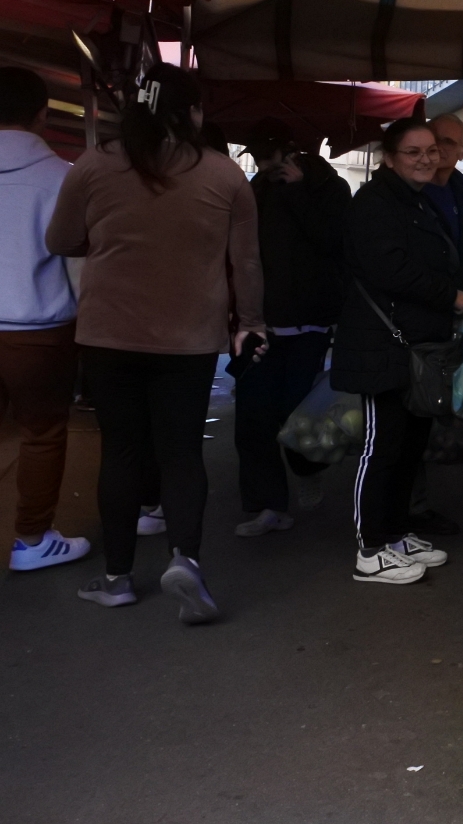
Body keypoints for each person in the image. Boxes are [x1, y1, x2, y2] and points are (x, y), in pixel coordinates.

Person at [46, 63, 266, 623]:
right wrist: (251, 323)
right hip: (189, 340)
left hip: (108, 335)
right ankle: (185, 561)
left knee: (121, 452)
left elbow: (61, 239)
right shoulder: (225, 175)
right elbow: (246, 262)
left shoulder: (93, 166)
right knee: (181, 453)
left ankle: (117, 578)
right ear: (192, 113)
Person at [330, 118, 463, 585]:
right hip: (381, 345)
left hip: (413, 346)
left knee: (409, 446)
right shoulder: (374, 203)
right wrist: (452, 296)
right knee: (381, 447)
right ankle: (370, 550)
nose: (426, 159)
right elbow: (391, 269)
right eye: (414, 152)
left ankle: (395, 534)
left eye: (431, 150)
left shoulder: (416, 200)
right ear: (390, 157)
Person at [234, 119, 352, 535]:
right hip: (261, 322)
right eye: (256, 157)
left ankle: (307, 469)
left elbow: (335, 244)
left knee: (298, 415)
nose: (263, 165)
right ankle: (266, 505)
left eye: (269, 156)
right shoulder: (255, 190)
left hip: (310, 323)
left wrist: (299, 191)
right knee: (253, 417)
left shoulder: (330, 189)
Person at [0, 68, 90, 572]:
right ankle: (31, 540)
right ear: (42, 115)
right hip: (40, 333)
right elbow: (79, 266)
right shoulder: (62, 178)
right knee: (42, 434)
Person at [407, 112, 463, 535]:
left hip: (453, 316)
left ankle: (418, 505)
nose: (440, 151)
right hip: (419, 320)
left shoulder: (461, 194)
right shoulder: (411, 194)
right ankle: (411, 509)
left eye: (450, 144)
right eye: (435, 141)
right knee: (415, 408)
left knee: (443, 407)